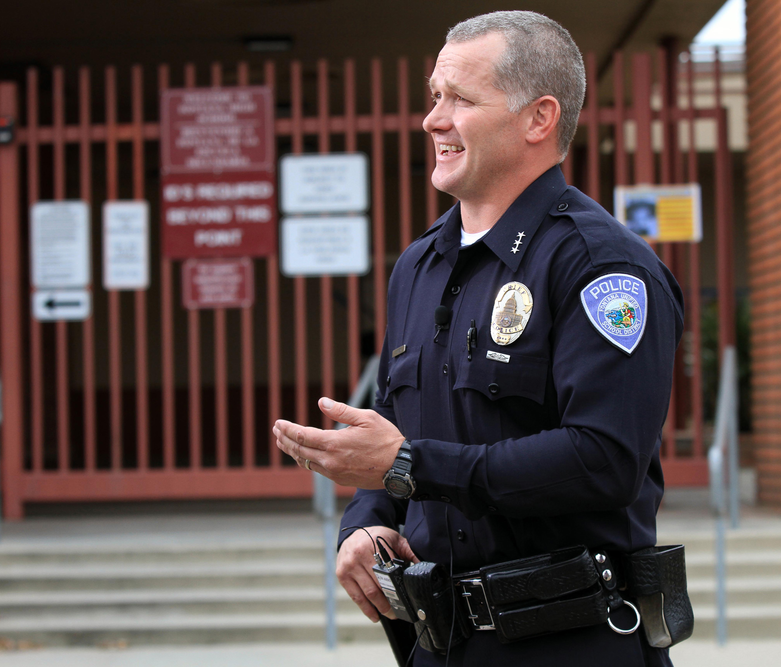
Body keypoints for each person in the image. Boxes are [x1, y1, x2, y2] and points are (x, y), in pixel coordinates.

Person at [274, 10, 683, 666]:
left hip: (570, 640)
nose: (434, 118)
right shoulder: (418, 265)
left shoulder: (602, 265)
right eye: (435, 96)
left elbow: (603, 458)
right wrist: (369, 518)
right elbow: (396, 424)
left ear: (538, 119)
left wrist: (409, 466)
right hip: (440, 642)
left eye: (460, 99)